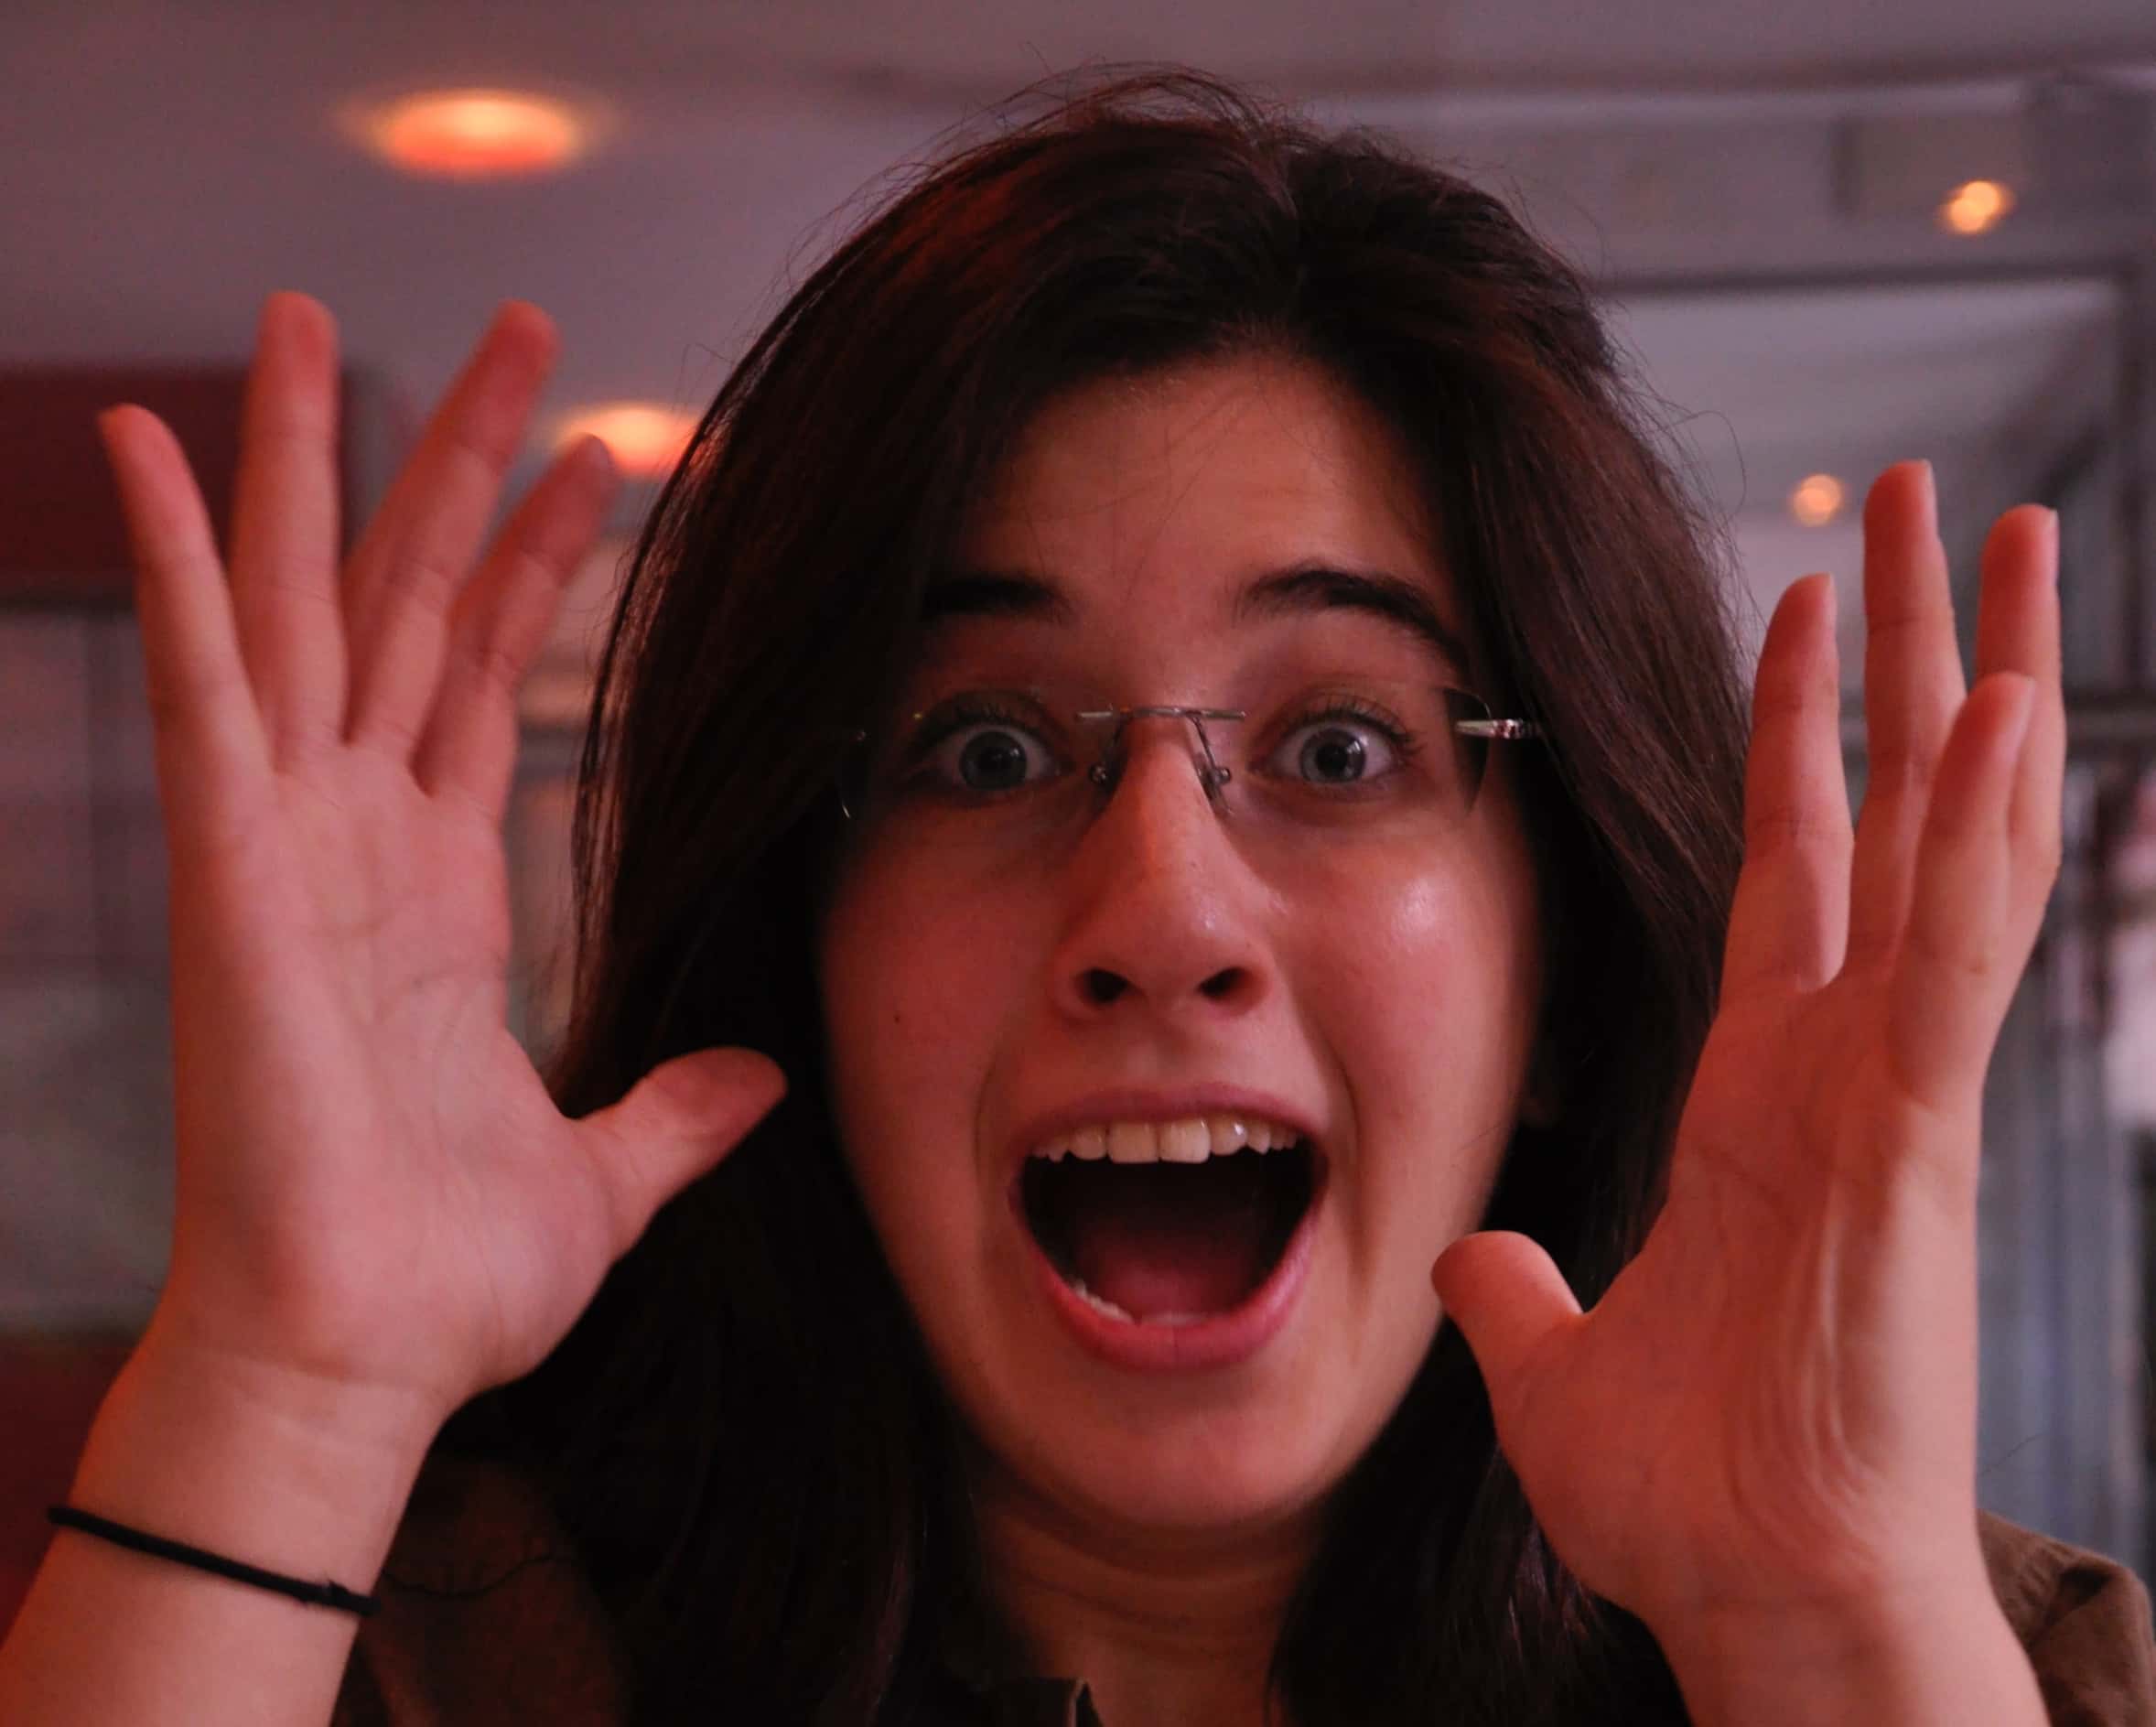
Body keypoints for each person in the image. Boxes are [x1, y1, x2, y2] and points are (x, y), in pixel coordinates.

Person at [1, 65, 2151, 1727]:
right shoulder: (441, 1657)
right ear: (801, 952)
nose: (1159, 910)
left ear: (1560, 972)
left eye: (1338, 747)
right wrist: (285, 1392)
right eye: (986, 750)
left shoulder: (1975, 1663)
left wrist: (1817, 1634)